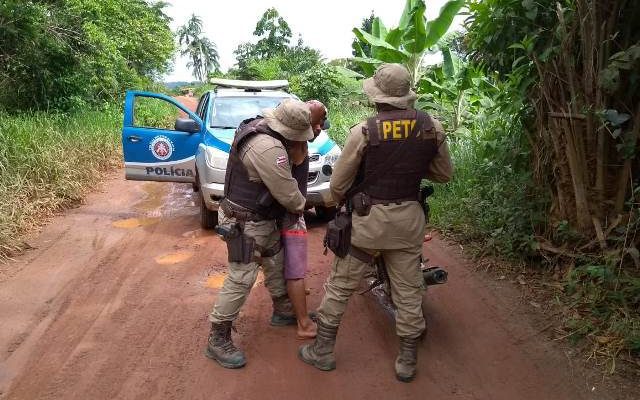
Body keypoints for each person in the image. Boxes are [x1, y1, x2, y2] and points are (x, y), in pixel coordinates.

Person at [298, 63, 453, 382]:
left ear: (377, 96)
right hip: (408, 224)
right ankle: (408, 360)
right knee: (409, 289)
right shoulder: (431, 127)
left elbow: (338, 185)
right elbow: (443, 174)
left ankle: (323, 351)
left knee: (341, 285)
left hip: (366, 226)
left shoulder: (365, 131)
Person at [206, 98, 314, 369]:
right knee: (242, 277)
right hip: (245, 222)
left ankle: (283, 310)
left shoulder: (266, 132)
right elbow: (290, 196)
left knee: (276, 263)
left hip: (263, 219)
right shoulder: (266, 147)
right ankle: (217, 336)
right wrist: (306, 206)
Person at [281, 100, 328, 339]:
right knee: (296, 271)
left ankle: (285, 310)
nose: (319, 128)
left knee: (285, 266)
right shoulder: (295, 145)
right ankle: (303, 323)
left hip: (284, 213)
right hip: (291, 216)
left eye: (322, 122)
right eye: (315, 122)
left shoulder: (286, 142)